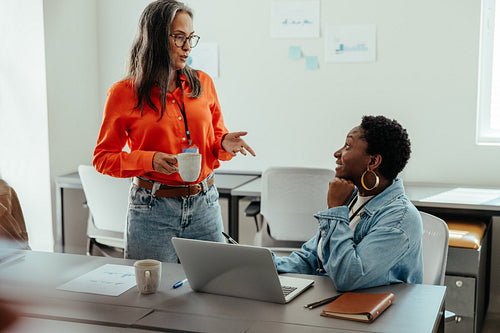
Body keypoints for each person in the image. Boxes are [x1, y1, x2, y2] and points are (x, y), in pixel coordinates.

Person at [93, 0, 255, 263]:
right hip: (152, 210)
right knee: (152, 294)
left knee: (211, 294)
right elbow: (103, 158)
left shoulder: (203, 83)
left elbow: (214, 138)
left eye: (190, 37)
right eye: (179, 37)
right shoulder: (123, 94)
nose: (187, 46)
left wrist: (224, 143)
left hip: (205, 205)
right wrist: (149, 159)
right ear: (156, 38)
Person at [274, 115, 423, 291]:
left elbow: (348, 277)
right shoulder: (352, 197)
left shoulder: (400, 219)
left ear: (373, 161)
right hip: (334, 301)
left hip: (378, 313)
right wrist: (263, 262)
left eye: (347, 146)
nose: (337, 153)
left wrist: (336, 210)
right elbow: (313, 258)